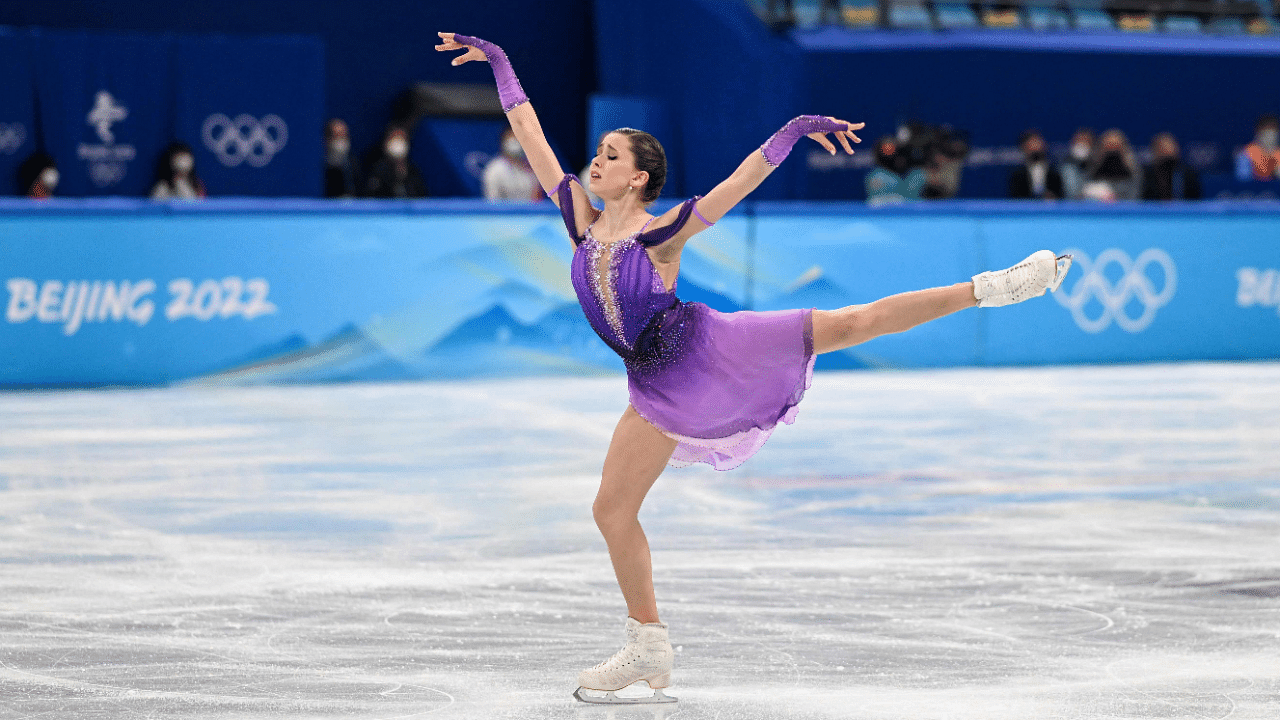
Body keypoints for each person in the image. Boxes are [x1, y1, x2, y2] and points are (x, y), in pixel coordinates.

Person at [437, 31, 1072, 705]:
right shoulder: (577, 219)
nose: (594, 162)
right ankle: (648, 644)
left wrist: (790, 133)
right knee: (612, 510)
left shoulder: (662, 232)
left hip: (705, 348)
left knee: (844, 326)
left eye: (609, 155)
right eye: (597, 153)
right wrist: (503, 63)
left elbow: (733, 186)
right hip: (652, 385)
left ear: (639, 177)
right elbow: (529, 132)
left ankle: (992, 288)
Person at [363, 126, 428, 198]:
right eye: (394, 138)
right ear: (386, 142)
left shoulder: (413, 172)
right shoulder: (376, 171)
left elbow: (421, 197)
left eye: (401, 139)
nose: (398, 143)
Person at [482, 127, 541, 201]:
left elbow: (537, 200)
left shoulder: (532, 169)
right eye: (511, 137)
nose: (515, 141)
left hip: (528, 212)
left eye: (518, 137)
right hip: (503, 212)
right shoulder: (494, 169)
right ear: (503, 141)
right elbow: (493, 202)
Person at [1083, 128, 1141, 202]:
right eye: (1109, 146)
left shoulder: (1134, 171)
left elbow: (1134, 196)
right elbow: (1084, 192)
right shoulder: (1092, 168)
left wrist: (1115, 198)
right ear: (1102, 148)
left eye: (1116, 147)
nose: (1112, 151)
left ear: (1123, 149)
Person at [864, 136, 924, 206]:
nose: (893, 155)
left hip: (912, 214)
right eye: (887, 150)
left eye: (895, 150)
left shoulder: (916, 175)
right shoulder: (876, 176)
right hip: (884, 214)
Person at [1142, 132, 1201, 201]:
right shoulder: (1146, 175)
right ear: (1154, 151)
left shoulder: (1188, 173)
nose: (1167, 151)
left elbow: (1196, 200)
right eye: (1162, 147)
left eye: (1170, 146)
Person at [1008, 129, 1063, 200]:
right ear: (1023, 147)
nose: (1035, 146)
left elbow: (1061, 195)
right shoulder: (1017, 174)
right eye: (1032, 143)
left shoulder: (1055, 172)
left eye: (1037, 142)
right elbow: (1015, 198)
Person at [1236, 115, 1280, 182]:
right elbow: (1243, 179)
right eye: (1266, 135)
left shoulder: (1278, 153)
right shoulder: (1247, 153)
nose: (1270, 138)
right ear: (1259, 134)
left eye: (1273, 134)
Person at [324, 118, 360, 198]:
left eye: (344, 136)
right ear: (328, 139)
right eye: (337, 136)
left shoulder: (353, 164)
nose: (341, 141)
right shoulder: (320, 166)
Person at [1060, 128, 1095, 201]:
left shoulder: (1098, 165)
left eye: (1086, 141)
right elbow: (1071, 192)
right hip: (1070, 206)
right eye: (1079, 141)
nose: (1082, 145)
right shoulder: (1065, 167)